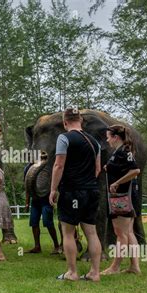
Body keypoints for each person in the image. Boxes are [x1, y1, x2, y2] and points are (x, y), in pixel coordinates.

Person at [49, 107, 102, 282]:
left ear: (65, 122)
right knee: (92, 233)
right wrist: (87, 182)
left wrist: (53, 189)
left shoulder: (64, 138)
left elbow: (59, 165)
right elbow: (97, 169)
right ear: (81, 121)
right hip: (92, 190)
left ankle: (72, 273)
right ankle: (95, 273)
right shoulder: (95, 142)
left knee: (68, 232)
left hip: (72, 191)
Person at [101, 125, 141, 275]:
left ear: (115, 137)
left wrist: (117, 183)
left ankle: (115, 267)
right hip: (125, 196)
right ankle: (134, 266)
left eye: (108, 137)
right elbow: (124, 168)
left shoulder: (123, 151)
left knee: (121, 233)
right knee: (129, 232)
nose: (107, 139)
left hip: (123, 197)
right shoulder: (120, 151)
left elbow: (135, 170)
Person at [24, 153, 61, 255]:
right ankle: (37, 246)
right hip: (35, 199)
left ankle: (57, 246)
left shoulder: (50, 168)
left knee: (48, 222)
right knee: (34, 222)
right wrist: (27, 203)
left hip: (46, 199)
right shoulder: (29, 168)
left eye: (44, 157)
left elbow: (55, 184)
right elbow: (27, 187)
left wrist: (55, 196)